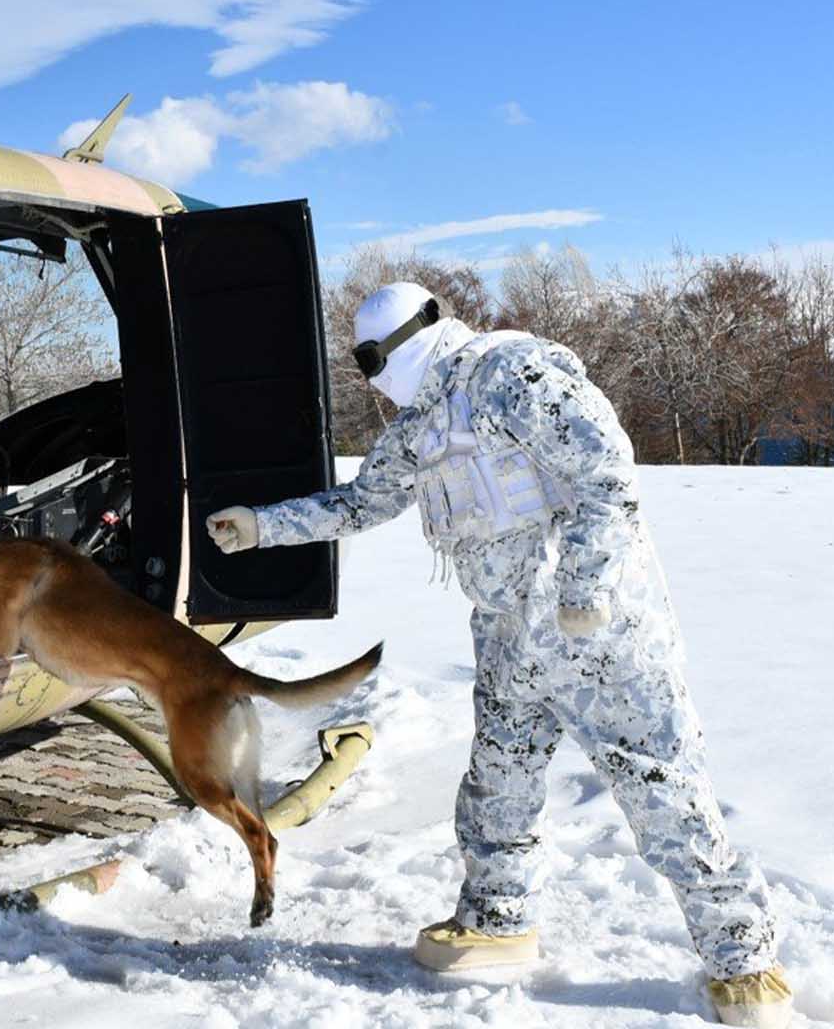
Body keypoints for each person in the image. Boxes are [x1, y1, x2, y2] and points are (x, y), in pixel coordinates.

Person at [205, 283, 793, 1028]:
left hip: (601, 636)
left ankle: (744, 962)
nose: (369, 378)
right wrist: (263, 527)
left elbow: (607, 473)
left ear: (401, 343)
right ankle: (498, 919)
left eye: (368, 359)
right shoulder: (423, 425)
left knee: (661, 791)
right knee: (497, 788)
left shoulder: (512, 375)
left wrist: (586, 586)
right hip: (510, 639)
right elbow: (361, 504)